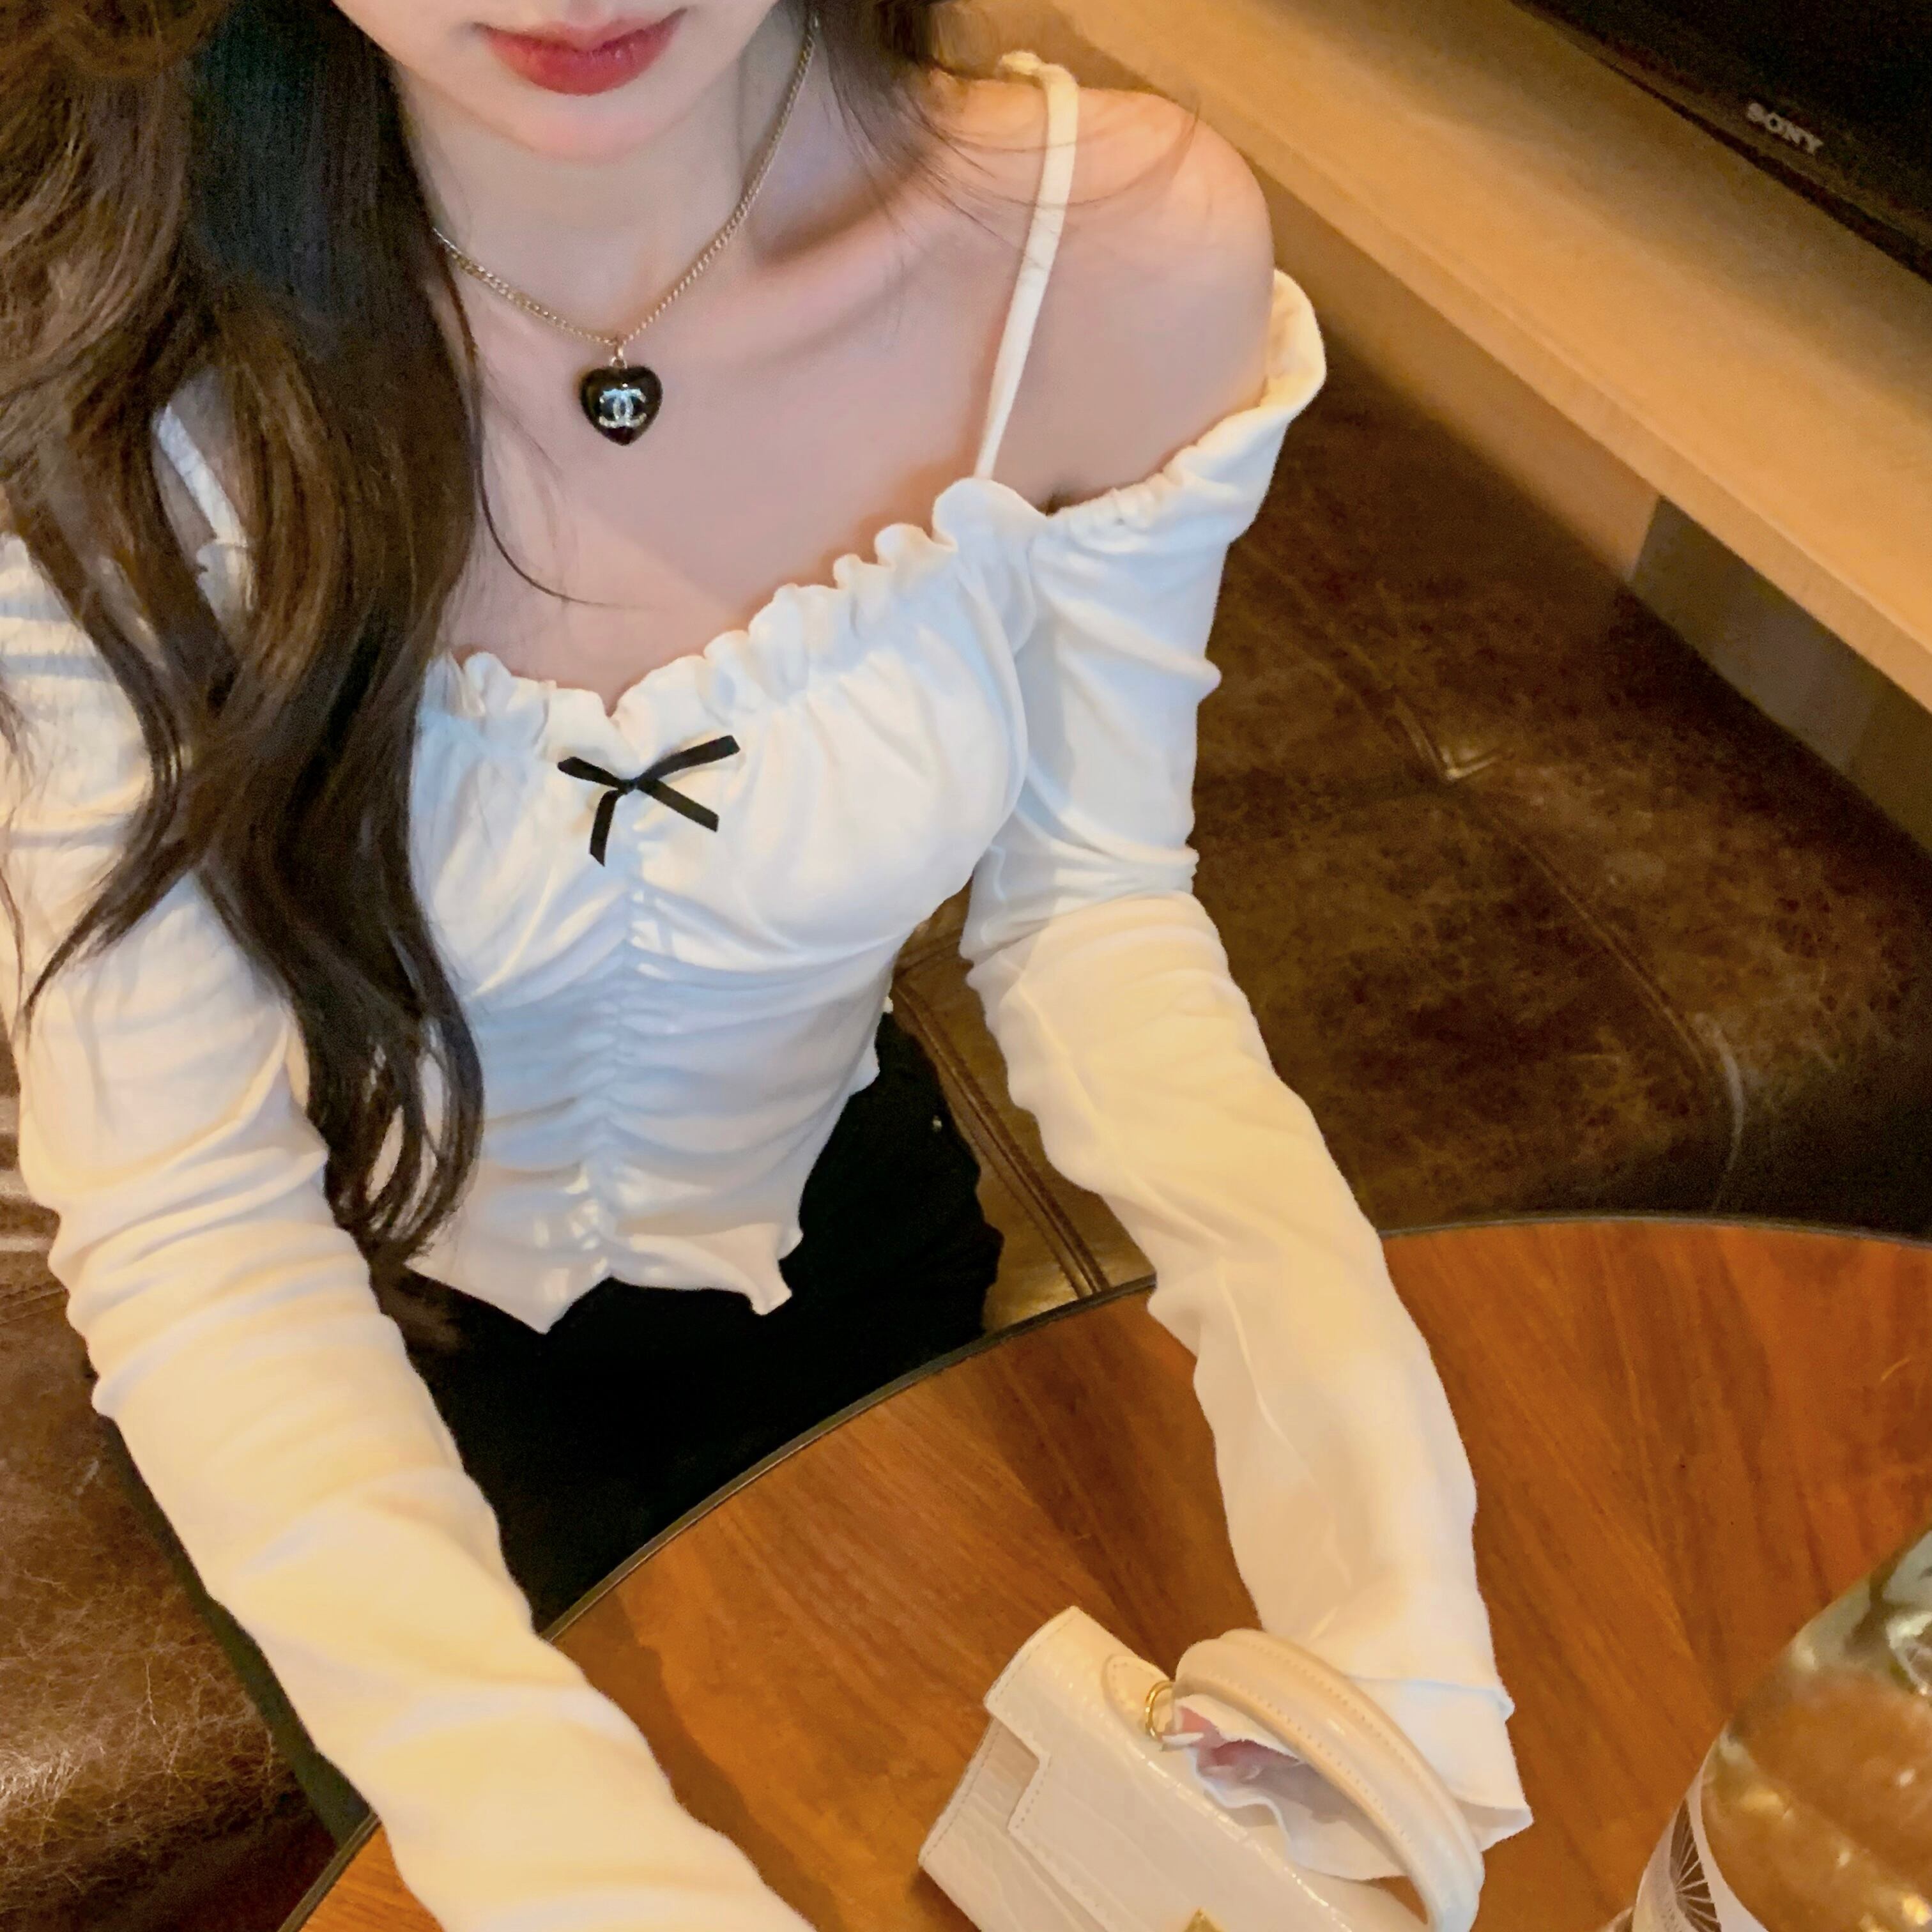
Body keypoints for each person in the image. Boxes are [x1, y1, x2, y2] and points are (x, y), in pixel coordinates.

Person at [0, 1, 1530, 1926]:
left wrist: (1389, 1563)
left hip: (844, 1255)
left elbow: (1096, 907)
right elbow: (193, 1208)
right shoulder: (93, 347)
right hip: (325, 1336)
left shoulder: (1100, 256)